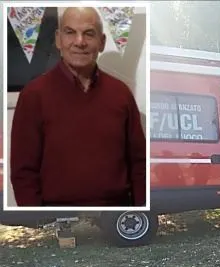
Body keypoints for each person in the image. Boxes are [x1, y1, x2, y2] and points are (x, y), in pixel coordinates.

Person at [10, 7, 146, 207]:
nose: (79, 42)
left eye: (89, 33)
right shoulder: (33, 95)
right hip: (56, 214)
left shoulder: (121, 94)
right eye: (70, 32)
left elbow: (139, 163)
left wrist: (139, 207)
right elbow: (23, 172)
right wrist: (39, 217)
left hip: (116, 212)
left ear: (102, 42)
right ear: (58, 40)